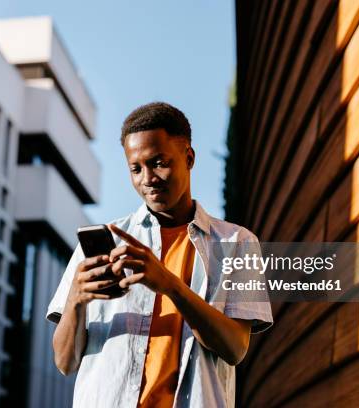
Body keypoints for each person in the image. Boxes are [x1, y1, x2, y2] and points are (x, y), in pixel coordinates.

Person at [46, 102, 272, 407]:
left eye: (159, 163)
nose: (147, 178)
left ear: (189, 157)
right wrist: (76, 299)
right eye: (135, 169)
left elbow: (235, 349)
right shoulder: (104, 241)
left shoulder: (236, 242)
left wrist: (170, 284)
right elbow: (64, 363)